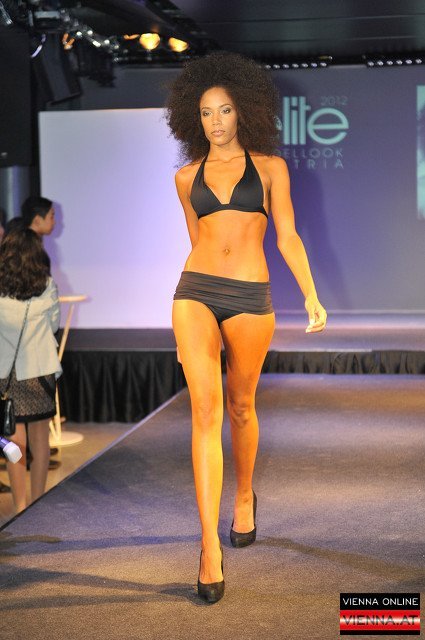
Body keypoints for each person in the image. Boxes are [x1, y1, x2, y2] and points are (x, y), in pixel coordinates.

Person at [166, 51, 327, 603]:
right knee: (204, 411)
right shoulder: (185, 177)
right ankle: (208, 546)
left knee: (240, 405)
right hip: (195, 291)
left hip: (250, 296)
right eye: (206, 112)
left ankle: (244, 496)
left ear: (244, 112)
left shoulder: (271, 168)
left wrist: (310, 293)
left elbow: (287, 236)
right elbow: (197, 240)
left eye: (225, 110)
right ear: (193, 118)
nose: (215, 121)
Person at [0, 228, 62, 513]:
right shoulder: (47, 285)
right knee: (40, 440)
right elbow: (53, 325)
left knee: (15, 442)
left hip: (7, 374)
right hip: (39, 371)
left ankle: (20, 506)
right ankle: (38, 504)